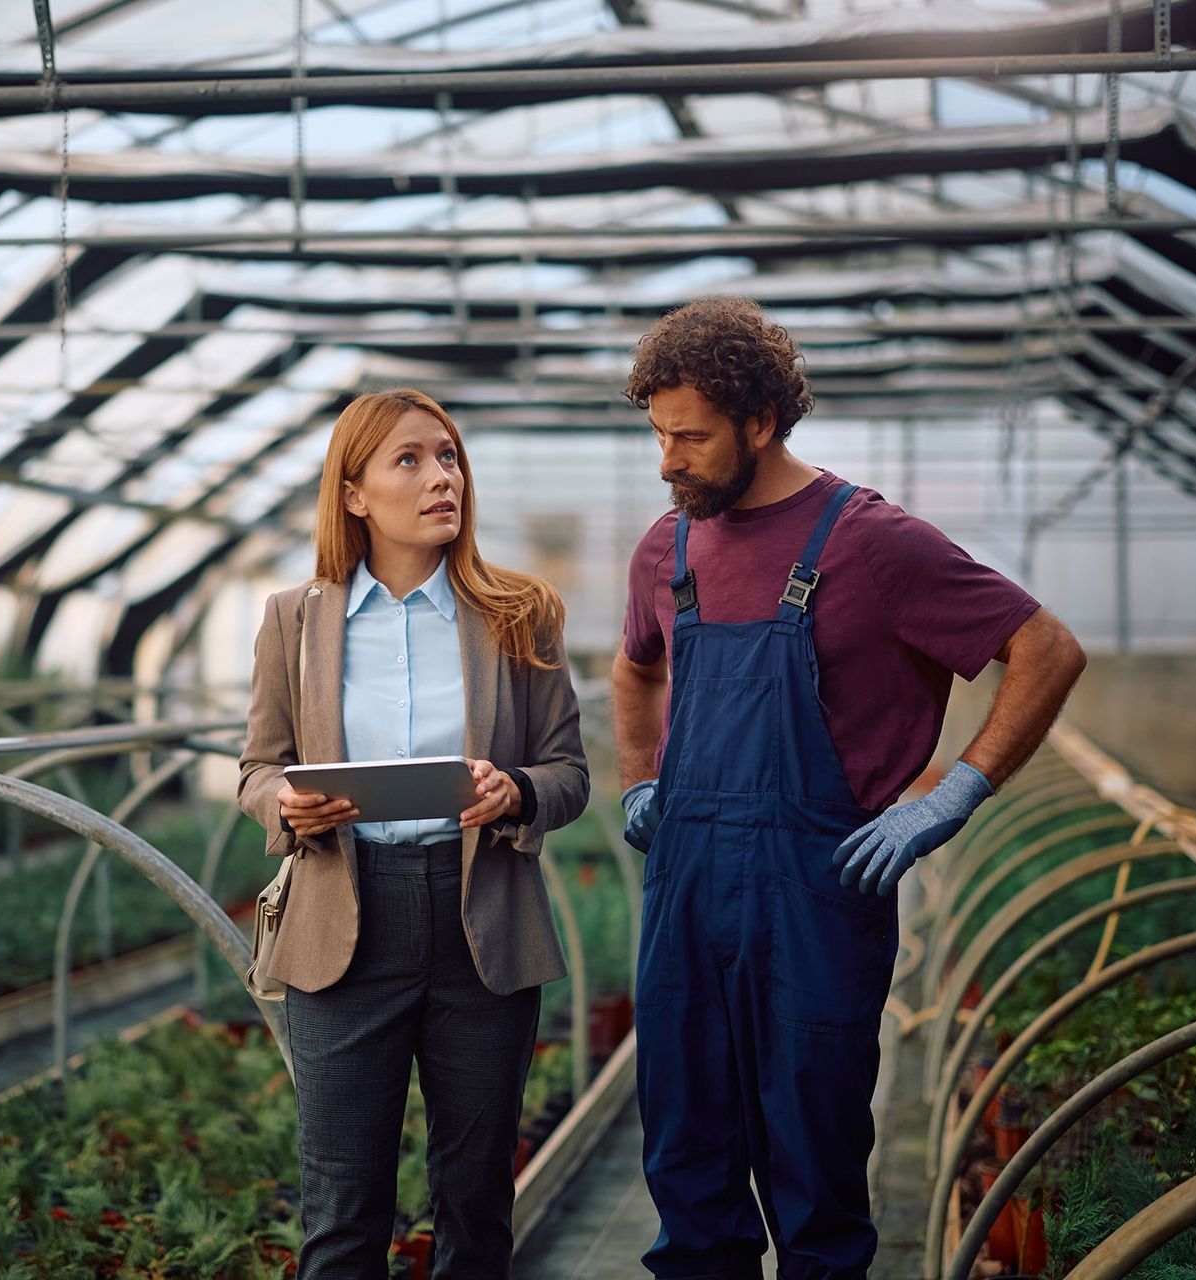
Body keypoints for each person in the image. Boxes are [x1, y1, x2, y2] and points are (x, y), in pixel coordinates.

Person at [612, 298, 1088, 1278]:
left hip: (814, 894)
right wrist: (635, 780)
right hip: (687, 888)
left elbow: (1043, 646)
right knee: (686, 1153)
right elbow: (634, 668)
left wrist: (954, 791)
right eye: (658, 435)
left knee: (816, 1166)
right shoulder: (670, 547)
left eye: (689, 437)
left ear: (759, 421)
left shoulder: (872, 542)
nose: (668, 460)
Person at [238, 388, 590, 1280]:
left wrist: (513, 791)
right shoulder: (296, 618)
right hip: (342, 926)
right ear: (354, 492)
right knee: (342, 1210)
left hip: (479, 923)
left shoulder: (519, 612)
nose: (444, 477)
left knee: (475, 1203)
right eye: (411, 460)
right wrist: (286, 803)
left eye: (449, 456)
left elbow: (568, 773)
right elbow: (257, 767)